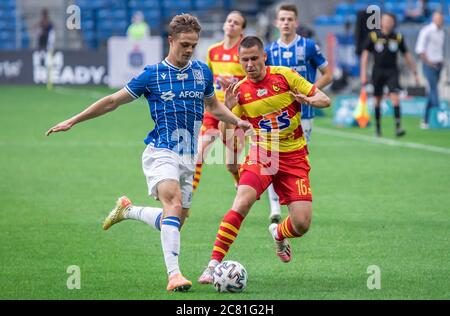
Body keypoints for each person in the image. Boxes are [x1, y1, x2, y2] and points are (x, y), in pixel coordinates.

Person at [45, 14, 251, 293]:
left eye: (193, 45)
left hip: (189, 156)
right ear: (171, 40)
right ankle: (174, 275)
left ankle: (128, 210)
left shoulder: (202, 72)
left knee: (175, 220)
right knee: (174, 205)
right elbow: (112, 101)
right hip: (161, 151)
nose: (189, 50)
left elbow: (213, 107)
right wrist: (73, 120)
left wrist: (236, 120)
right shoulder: (152, 75)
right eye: (184, 44)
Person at [198, 36, 331, 284]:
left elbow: (325, 99)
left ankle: (278, 233)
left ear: (264, 57)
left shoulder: (285, 76)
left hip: (294, 156)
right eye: (244, 60)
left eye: (254, 59)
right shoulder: (238, 92)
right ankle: (212, 265)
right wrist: (227, 112)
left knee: (302, 224)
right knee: (241, 202)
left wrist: (308, 100)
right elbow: (229, 138)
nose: (249, 64)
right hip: (263, 154)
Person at [264, 3, 332, 223]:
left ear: (296, 22)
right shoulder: (269, 51)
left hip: (305, 114)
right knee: (271, 156)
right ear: (276, 22)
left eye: (289, 19)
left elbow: (327, 74)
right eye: (282, 19)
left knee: (295, 159)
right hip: (277, 115)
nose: (285, 23)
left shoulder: (309, 47)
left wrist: (311, 93)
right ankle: (275, 206)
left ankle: (294, 200)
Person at [193, 11, 247, 192]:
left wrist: (234, 84)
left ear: (242, 30)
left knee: (231, 165)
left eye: (236, 23)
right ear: (224, 25)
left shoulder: (245, 53)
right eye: (229, 20)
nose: (231, 24)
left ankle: (241, 184)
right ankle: (186, 199)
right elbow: (209, 79)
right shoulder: (213, 50)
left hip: (235, 113)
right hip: (214, 110)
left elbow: (252, 83)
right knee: (199, 154)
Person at [360, 13, 419, 137]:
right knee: (377, 99)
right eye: (385, 20)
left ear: (393, 23)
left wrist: (415, 71)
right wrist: (363, 74)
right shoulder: (374, 36)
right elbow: (365, 56)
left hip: (392, 71)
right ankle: (378, 127)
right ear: (381, 22)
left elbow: (407, 55)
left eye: (390, 21)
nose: (388, 23)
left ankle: (398, 127)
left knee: (395, 97)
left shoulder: (397, 37)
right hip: (378, 71)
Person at [415, 11, 446, 129]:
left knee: (432, 93)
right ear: (433, 19)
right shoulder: (426, 31)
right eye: (438, 18)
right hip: (429, 65)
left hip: (439, 64)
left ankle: (426, 119)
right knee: (434, 90)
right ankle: (439, 116)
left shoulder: (442, 32)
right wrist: (429, 62)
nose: (440, 21)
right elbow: (420, 50)